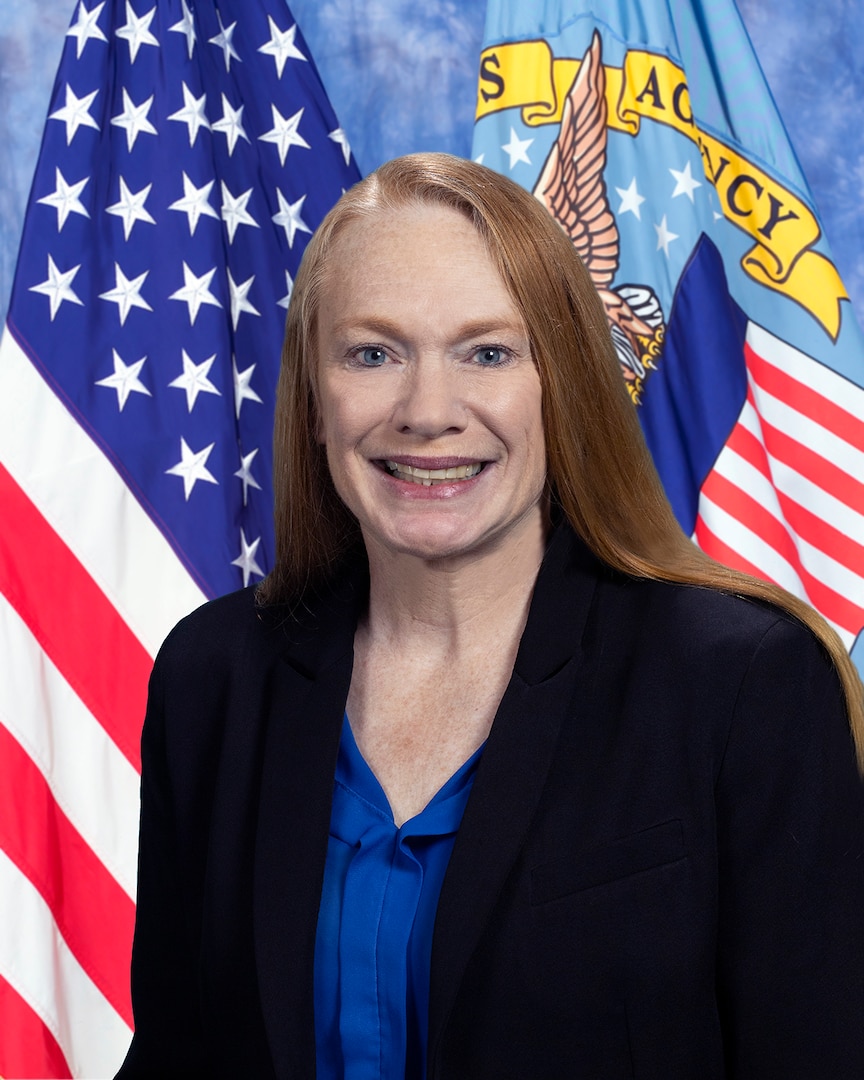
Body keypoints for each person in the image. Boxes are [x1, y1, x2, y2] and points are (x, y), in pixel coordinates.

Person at [116, 153, 864, 1079]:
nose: (428, 412)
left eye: (488, 352)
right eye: (373, 354)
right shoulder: (215, 676)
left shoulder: (744, 683)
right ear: (313, 400)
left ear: (566, 385)